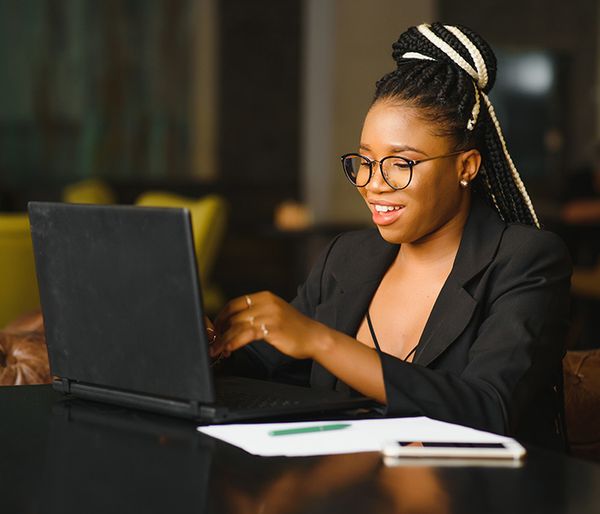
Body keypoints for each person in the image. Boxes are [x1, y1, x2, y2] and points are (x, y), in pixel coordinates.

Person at [210, 22, 572, 450]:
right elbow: (267, 366)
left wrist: (322, 341)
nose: (373, 184)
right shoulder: (347, 257)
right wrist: (209, 348)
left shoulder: (525, 260)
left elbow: (488, 410)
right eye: (365, 161)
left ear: (466, 167)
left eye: (401, 164)